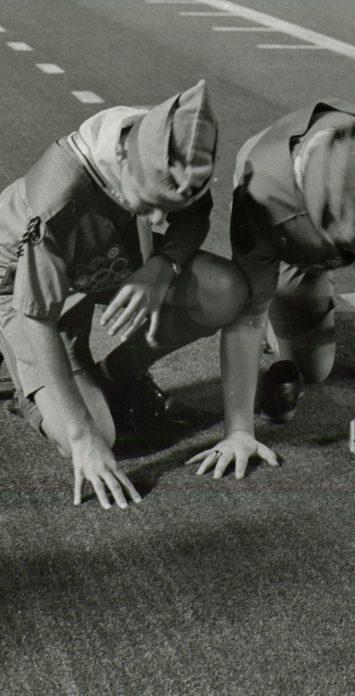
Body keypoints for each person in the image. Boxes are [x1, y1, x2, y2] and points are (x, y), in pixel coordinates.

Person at [0, 80, 249, 509]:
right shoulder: (59, 197)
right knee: (100, 434)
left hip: (101, 255)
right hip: (20, 286)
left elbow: (192, 218)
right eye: (149, 205)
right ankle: (19, 379)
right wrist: (81, 438)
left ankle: (118, 374)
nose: (157, 218)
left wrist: (162, 265)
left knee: (223, 290)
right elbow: (38, 316)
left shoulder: (170, 148)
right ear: (121, 160)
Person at [187, 100, 355, 479]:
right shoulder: (260, 194)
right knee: (311, 367)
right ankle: (298, 294)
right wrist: (239, 432)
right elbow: (246, 319)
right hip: (296, 245)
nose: (350, 247)